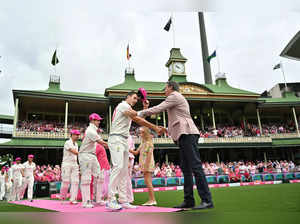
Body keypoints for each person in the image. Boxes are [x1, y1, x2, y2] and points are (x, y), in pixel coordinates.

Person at [135, 81, 214, 210]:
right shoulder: (176, 98)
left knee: (195, 166)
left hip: (187, 133)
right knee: (186, 168)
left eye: (165, 88)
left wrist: (139, 113)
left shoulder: (174, 96)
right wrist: (165, 128)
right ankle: (189, 200)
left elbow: (158, 108)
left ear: (171, 87)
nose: (164, 90)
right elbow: (173, 118)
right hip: (184, 134)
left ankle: (207, 200)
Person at [106, 91, 166, 211]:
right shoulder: (123, 105)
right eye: (133, 98)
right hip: (116, 138)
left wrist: (145, 109)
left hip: (123, 139)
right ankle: (111, 199)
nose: (135, 100)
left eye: (136, 99)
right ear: (127, 97)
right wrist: (154, 127)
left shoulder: (128, 108)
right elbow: (136, 117)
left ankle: (123, 200)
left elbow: (139, 118)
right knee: (117, 167)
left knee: (123, 171)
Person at [78, 113, 108, 208]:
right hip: (85, 155)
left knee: (100, 176)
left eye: (99, 120)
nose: (99, 122)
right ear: (92, 121)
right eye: (97, 120)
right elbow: (102, 143)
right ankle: (86, 201)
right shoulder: (90, 130)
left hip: (92, 155)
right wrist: (114, 145)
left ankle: (98, 199)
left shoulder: (93, 130)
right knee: (86, 178)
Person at [130, 127, 156, 206]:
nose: (140, 134)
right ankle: (151, 199)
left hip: (147, 164)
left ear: (145, 134)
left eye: (141, 133)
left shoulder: (149, 143)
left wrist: (146, 166)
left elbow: (149, 155)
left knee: (148, 182)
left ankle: (152, 200)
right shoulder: (143, 143)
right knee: (148, 182)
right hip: (144, 164)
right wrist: (127, 149)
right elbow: (136, 152)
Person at [60, 130, 81, 205]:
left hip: (74, 164)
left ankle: (73, 199)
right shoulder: (67, 142)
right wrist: (83, 154)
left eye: (78, 135)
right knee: (66, 181)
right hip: (67, 164)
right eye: (76, 135)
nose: (77, 136)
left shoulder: (77, 144)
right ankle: (63, 197)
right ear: (71, 135)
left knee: (75, 182)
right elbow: (74, 152)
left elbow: (76, 155)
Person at [126, 134, 135, 204]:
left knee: (127, 179)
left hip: (128, 158)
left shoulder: (128, 137)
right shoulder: (128, 136)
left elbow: (128, 150)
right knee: (126, 179)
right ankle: (128, 198)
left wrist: (128, 160)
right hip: (128, 158)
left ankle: (129, 198)